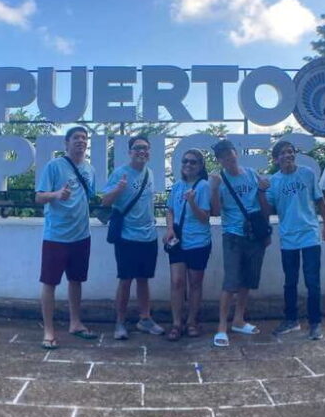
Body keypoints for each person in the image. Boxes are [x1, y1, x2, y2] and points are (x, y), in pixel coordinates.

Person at [34, 126, 97, 350]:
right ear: (66, 143)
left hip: (82, 235)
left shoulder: (90, 169)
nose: (81, 141)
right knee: (50, 283)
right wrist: (57, 195)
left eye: (84, 138)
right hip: (56, 236)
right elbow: (39, 197)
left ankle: (75, 323)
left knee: (76, 280)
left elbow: (89, 198)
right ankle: (49, 330)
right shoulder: (53, 166)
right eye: (76, 138)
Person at [266, 140, 325, 340]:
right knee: (290, 282)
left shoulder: (307, 174)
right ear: (276, 159)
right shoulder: (273, 181)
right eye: (283, 153)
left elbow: (320, 201)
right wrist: (260, 190)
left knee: (313, 282)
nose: (288, 155)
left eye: (291, 151)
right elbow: (267, 209)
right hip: (288, 238)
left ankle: (315, 324)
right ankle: (291, 320)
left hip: (310, 234)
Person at [209, 139, 271, 348]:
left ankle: (238, 320)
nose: (228, 157)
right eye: (223, 155)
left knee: (247, 281)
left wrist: (266, 231)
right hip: (233, 235)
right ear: (219, 160)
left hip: (255, 235)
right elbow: (216, 212)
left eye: (230, 153)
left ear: (236, 153)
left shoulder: (251, 173)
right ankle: (221, 327)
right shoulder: (220, 180)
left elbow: (263, 205)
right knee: (230, 283)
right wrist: (214, 189)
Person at [101, 135, 164, 339]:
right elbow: (105, 201)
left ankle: (145, 319)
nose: (141, 151)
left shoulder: (150, 173)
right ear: (130, 152)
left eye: (145, 148)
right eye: (137, 148)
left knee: (144, 280)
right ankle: (120, 322)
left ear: (149, 152)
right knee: (125, 280)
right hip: (127, 236)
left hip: (148, 235)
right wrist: (118, 189)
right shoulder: (120, 173)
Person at [163, 149, 211, 341]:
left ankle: (192, 321)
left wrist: (192, 202)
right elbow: (169, 210)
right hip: (178, 241)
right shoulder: (177, 186)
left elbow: (205, 217)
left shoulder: (204, 186)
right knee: (177, 282)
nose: (188, 165)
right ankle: (176, 322)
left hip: (198, 241)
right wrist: (169, 229)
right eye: (185, 161)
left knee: (195, 283)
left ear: (200, 166)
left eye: (193, 162)